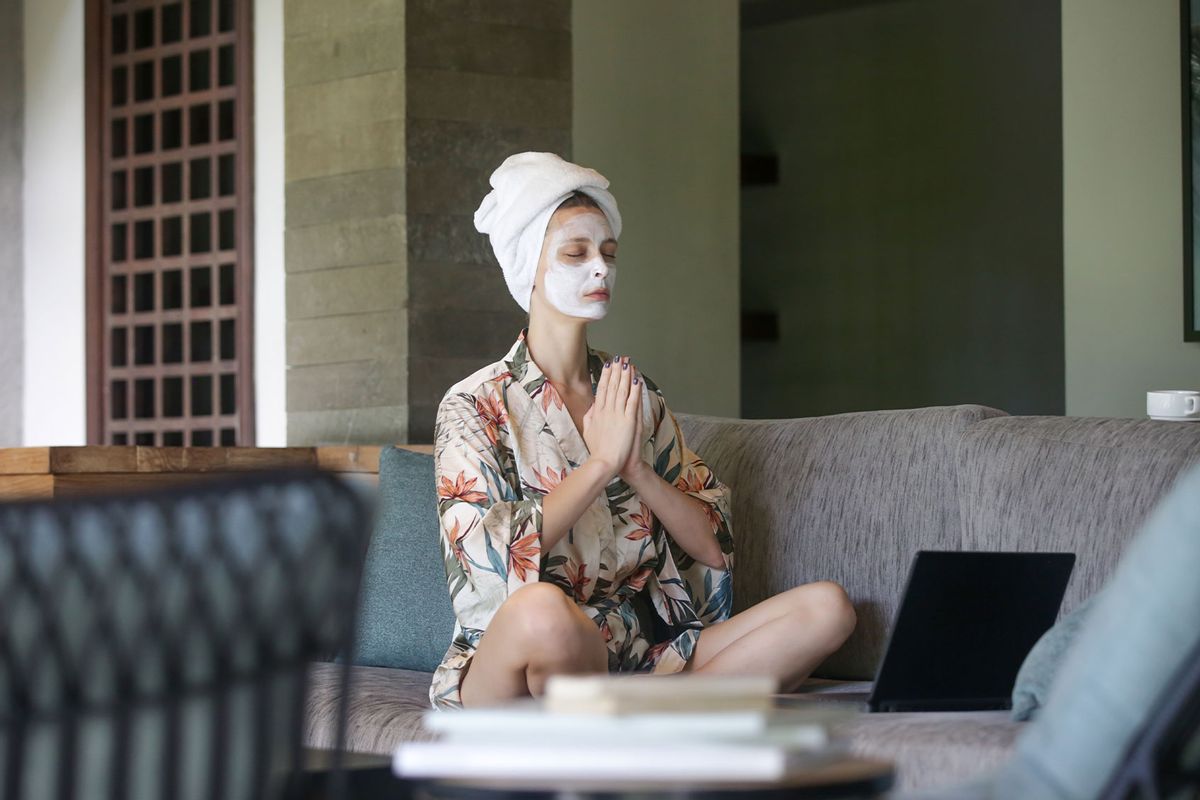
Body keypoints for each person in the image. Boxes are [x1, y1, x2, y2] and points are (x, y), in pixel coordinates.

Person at [428, 152, 857, 710]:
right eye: (576, 254)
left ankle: (645, 715)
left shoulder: (634, 395)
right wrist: (600, 465)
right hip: (514, 662)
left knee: (828, 608)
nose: (600, 268)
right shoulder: (473, 404)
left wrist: (635, 468)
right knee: (544, 614)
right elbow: (487, 556)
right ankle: (668, 713)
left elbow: (713, 547)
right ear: (527, 266)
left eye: (608, 253)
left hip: (633, 655)